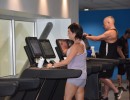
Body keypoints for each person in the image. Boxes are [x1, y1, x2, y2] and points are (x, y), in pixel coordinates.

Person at [84, 16, 122, 100]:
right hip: (109, 59)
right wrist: (89, 35)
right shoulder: (113, 32)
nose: (103, 25)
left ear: (109, 23)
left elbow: (97, 38)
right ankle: (105, 95)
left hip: (107, 59)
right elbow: (99, 37)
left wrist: (85, 36)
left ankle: (116, 90)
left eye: (104, 23)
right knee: (106, 77)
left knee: (101, 77)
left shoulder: (111, 32)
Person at [47, 23, 87, 100]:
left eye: (69, 32)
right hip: (82, 76)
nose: (67, 34)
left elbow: (67, 61)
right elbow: (71, 53)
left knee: (67, 98)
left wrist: (52, 65)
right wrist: (64, 48)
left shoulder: (76, 46)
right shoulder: (81, 43)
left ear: (74, 33)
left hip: (74, 76)